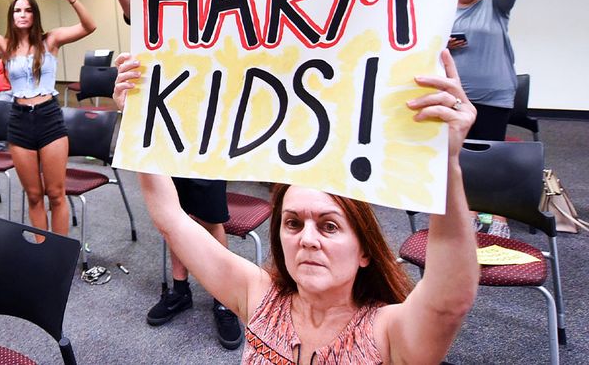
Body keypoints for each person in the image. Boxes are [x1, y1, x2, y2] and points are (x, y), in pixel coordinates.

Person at [114, 49, 479, 364]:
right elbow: (172, 219)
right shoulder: (258, 297)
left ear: (365, 250)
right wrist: (138, 120)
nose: (307, 239)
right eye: (292, 223)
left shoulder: (387, 331)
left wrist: (446, 162)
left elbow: (450, 301)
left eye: (329, 226)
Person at [112, 0, 242, 345]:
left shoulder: (220, 11)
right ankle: (182, 289)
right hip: (165, 127)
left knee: (210, 216)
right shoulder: (156, 14)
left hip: (206, 130)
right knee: (176, 216)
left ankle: (225, 297)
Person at [0, 0, 94, 235]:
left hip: (49, 117)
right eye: (17, 10)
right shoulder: (4, 45)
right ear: (12, 16)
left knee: (55, 193)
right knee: (33, 195)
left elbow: (89, 26)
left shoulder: (50, 40)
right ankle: (42, 251)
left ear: (34, 15)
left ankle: (59, 253)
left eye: (28, 10)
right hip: (19, 119)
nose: (22, 14)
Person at [450, 0, 518, 141]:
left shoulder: (496, 4)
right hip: (454, 97)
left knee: (487, 156)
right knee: (456, 155)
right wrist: (443, 44)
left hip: (493, 97)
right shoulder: (440, 10)